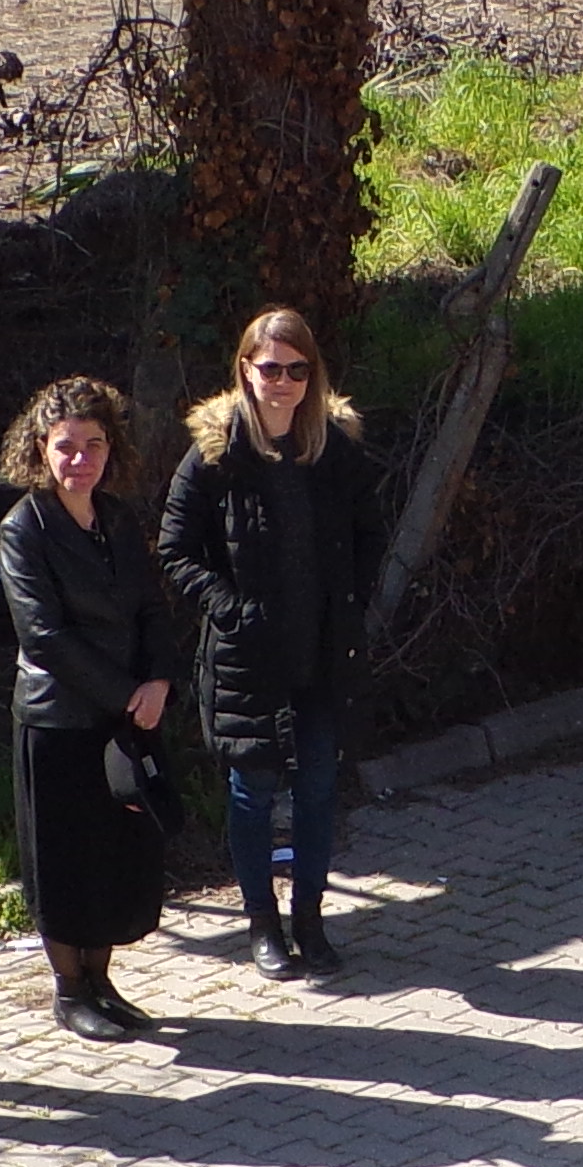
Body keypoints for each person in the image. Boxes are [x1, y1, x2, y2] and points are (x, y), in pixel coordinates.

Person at [159, 308, 388, 980]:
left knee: (317, 789)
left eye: (296, 369)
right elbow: (176, 550)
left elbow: (371, 534)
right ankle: (262, 925)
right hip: (248, 655)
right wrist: (231, 609)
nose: (282, 382)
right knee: (251, 791)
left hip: (322, 653)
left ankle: (310, 923)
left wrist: (349, 604)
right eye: (269, 369)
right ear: (245, 371)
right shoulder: (214, 453)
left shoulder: (333, 448)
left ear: (312, 375)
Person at [0, 374, 178, 1041]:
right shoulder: (26, 527)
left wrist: (158, 679)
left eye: (93, 445)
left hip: (124, 721)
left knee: (114, 857)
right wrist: (125, 694)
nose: (80, 460)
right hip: (59, 720)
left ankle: (102, 984)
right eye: (66, 446)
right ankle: (69, 991)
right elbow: (43, 635)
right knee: (65, 862)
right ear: (41, 448)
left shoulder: (118, 518)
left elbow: (152, 607)